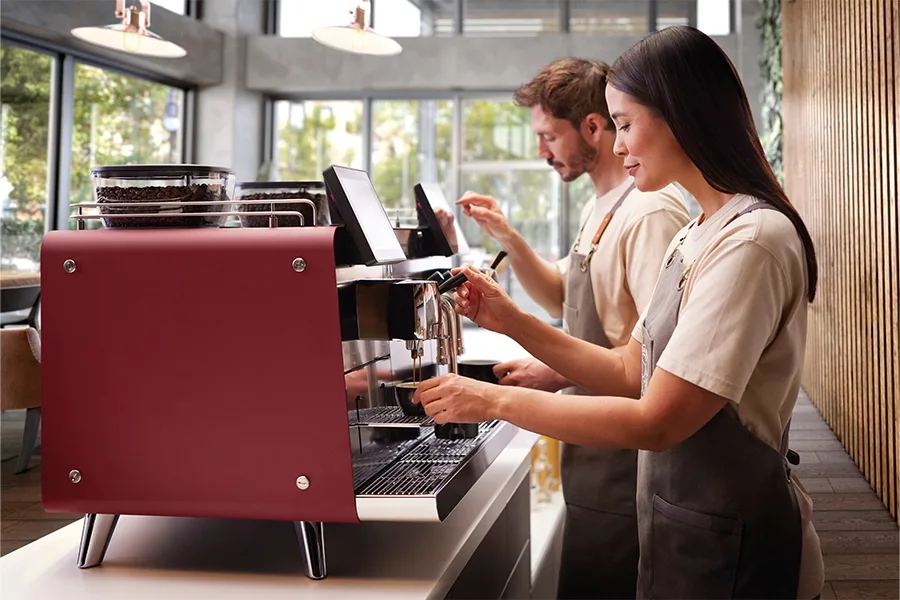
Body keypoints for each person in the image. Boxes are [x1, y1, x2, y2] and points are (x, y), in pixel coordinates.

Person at [415, 26, 825, 600]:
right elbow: (634, 367)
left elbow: (656, 420)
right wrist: (512, 320)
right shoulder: (696, 233)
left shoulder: (750, 241)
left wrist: (492, 400)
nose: (618, 143)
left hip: (733, 538)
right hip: (686, 519)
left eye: (626, 124)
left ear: (682, 114)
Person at [456, 58, 689, 599]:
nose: (543, 152)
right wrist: (507, 236)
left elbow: (649, 366)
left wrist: (550, 369)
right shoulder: (601, 206)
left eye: (548, 136)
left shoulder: (651, 212)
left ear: (593, 127)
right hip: (591, 452)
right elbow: (562, 295)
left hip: (627, 461)